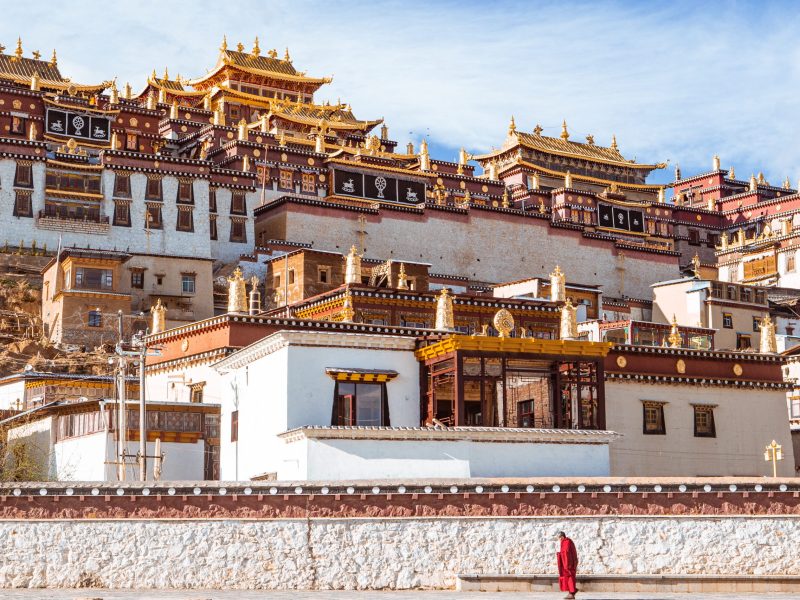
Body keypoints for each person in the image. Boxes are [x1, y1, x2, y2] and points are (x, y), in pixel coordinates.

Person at [556, 531, 578, 599]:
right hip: (567, 563)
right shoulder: (566, 542)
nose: (559, 540)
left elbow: (566, 553)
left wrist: (567, 565)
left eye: (559, 538)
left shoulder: (567, 542)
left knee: (570, 578)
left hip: (569, 564)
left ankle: (572, 593)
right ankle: (572, 591)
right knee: (568, 578)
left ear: (562, 537)